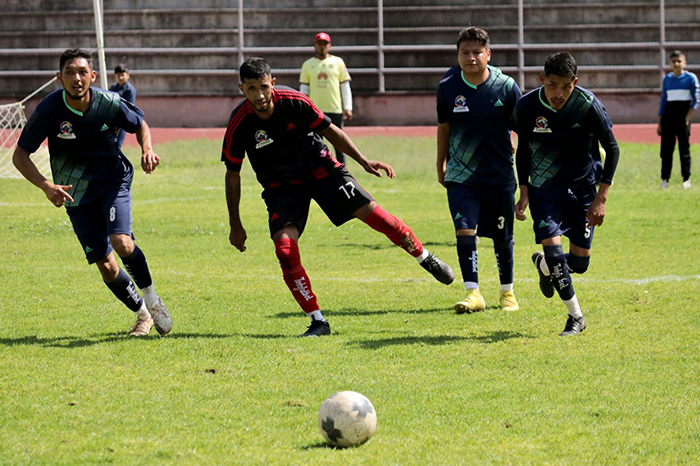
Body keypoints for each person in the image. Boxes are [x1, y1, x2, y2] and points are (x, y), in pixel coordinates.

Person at [223, 58, 454, 337]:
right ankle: (317, 321)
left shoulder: (295, 101)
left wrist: (363, 160)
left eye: (263, 87)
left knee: (379, 218)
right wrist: (235, 223)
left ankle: (424, 257)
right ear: (242, 89)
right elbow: (232, 175)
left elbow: (330, 131)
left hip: (321, 170)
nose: (260, 95)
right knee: (285, 250)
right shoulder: (239, 124)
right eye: (251, 89)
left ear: (272, 83)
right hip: (281, 188)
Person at [12, 48, 172, 337]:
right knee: (106, 266)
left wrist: (147, 149)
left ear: (93, 76)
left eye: (82, 72)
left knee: (121, 242)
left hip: (113, 181)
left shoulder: (108, 102)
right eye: (70, 72)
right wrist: (46, 185)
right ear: (59, 77)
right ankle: (143, 315)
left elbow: (140, 124)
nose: (77, 78)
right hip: (76, 193)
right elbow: (20, 155)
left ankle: (153, 300)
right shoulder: (49, 109)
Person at [513, 52, 620, 336]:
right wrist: (524, 190)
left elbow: (613, 149)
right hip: (544, 190)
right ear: (542, 79)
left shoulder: (587, 105)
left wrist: (601, 198)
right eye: (552, 85)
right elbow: (523, 150)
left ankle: (544, 265)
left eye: (565, 86)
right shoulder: (526, 106)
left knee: (579, 264)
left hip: (583, 190)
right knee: (555, 252)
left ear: (575, 82)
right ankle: (576, 316)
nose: (558, 93)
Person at [436, 27, 522, 315]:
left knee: (502, 235)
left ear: (488, 54)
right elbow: (444, 128)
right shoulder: (448, 87)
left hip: (499, 174)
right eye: (465, 53)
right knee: (464, 229)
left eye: (476, 52)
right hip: (461, 174)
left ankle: (507, 292)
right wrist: (440, 163)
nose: (470, 58)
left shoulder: (506, 87)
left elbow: (521, 130)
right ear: (457, 55)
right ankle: (473, 293)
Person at [299, 32, 353, 164]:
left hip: (334, 109)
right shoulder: (308, 64)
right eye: (319, 43)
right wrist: (302, 109)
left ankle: (343, 170)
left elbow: (345, 86)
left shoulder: (338, 62)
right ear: (315, 45)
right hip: (315, 111)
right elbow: (304, 89)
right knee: (315, 145)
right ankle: (318, 171)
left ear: (329, 45)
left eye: (325, 43)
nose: (322, 46)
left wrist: (348, 107)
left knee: (339, 144)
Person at [657, 50, 699, 189]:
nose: (676, 64)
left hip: (683, 116)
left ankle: (686, 179)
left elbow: (696, 100)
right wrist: (660, 122)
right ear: (669, 63)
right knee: (666, 150)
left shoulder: (691, 78)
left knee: (684, 149)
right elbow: (663, 101)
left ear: (684, 63)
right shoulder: (667, 79)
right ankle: (665, 179)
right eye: (673, 61)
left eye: (679, 61)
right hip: (668, 116)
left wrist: (687, 117)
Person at [109, 63, 137, 148]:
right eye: (118, 75)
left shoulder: (130, 90)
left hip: (122, 118)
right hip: (112, 117)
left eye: (122, 75)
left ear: (127, 76)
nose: (120, 78)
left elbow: (129, 106)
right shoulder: (113, 87)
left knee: (118, 142)